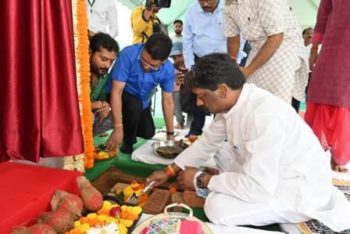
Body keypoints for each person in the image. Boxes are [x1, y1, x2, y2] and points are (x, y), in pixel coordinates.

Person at [147, 53, 350, 232]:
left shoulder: (263, 116)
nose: (199, 103)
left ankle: (212, 191)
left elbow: (258, 187)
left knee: (216, 207)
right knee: (219, 152)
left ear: (223, 91)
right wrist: (169, 172)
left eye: (202, 96)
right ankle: (219, 184)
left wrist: (202, 180)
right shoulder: (234, 103)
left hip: (296, 190)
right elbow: (206, 143)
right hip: (269, 175)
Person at [224, 0, 308, 113]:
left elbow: (276, 36)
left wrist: (248, 70)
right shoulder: (228, 4)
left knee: (276, 102)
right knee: (250, 98)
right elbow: (232, 38)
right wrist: (231, 68)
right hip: (257, 47)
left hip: (284, 45)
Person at [105, 33, 175, 154]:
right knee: (134, 105)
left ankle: (128, 126)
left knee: (148, 132)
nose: (146, 66)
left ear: (163, 61)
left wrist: (170, 135)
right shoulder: (128, 54)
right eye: (143, 60)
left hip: (142, 101)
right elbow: (116, 92)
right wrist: (118, 128)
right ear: (144, 48)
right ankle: (127, 142)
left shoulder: (168, 69)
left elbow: (168, 101)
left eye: (152, 65)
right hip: (120, 95)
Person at [305, 0, 350, 172]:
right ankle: (311, 154)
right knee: (322, 92)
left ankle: (338, 157)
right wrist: (314, 48)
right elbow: (323, 13)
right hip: (333, 43)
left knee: (344, 97)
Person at [183, 0, 227, 137]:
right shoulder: (191, 11)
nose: (205, 4)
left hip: (224, 59)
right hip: (200, 58)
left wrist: (234, 60)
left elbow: (240, 36)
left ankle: (220, 133)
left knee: (222, 95)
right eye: (201, 0)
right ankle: (195, 129)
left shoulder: (229, 7)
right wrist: (190, 67)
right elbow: (187, 40)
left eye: (209, 0)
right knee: (199, 94)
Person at [89, 33, 119, 136]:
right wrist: (93, 105)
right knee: (89, 116)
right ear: (90, 53)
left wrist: (105, 106)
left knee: (117, 115)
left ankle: (86, 139)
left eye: (111, 61)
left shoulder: (103, 75)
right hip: (71, 118)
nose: (107, 65)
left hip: (90, 118)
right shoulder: (76, 72)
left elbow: (102, 99)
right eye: (103, 59)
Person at [170, 42, 187, 129]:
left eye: (180, 56)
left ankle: (192, 121)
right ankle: (179, 121)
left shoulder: (192, 65)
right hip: (178, 91)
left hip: (190, 94)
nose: (177, 60)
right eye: (174, 58)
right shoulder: (172, 68)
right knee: (175, 95)